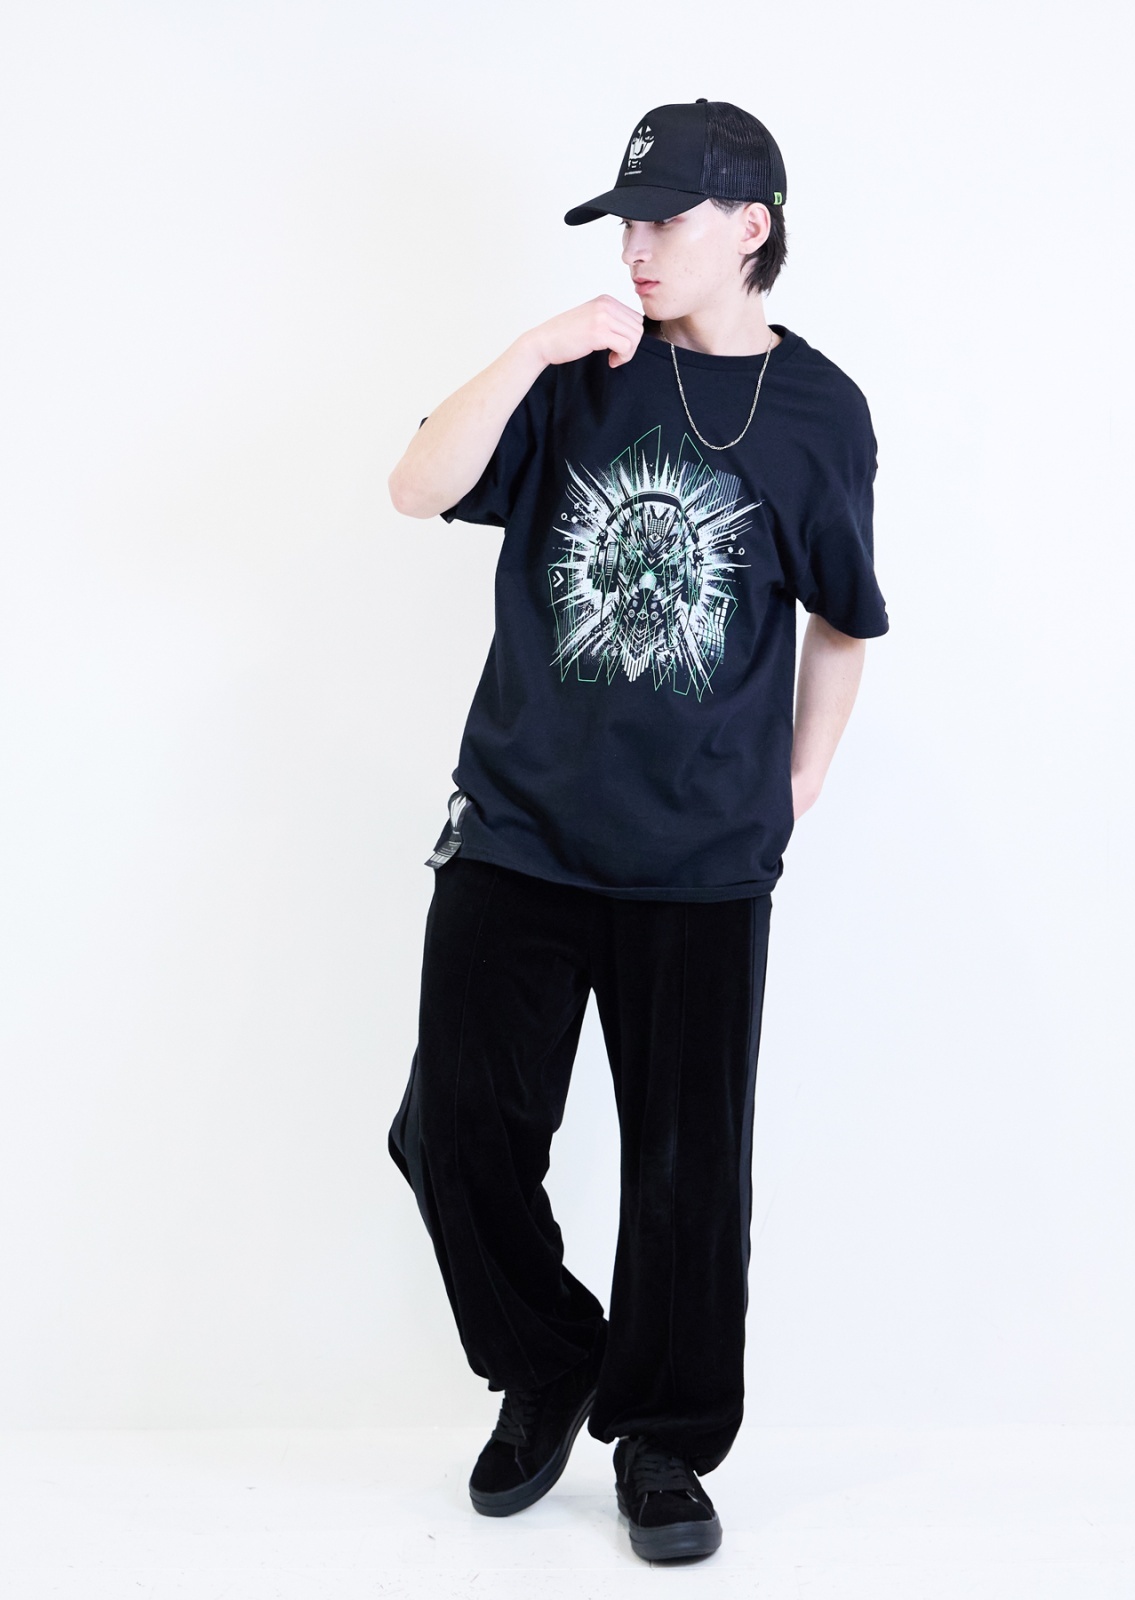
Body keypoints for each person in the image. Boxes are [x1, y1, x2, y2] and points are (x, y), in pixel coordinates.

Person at [385, 98, 889, 1564]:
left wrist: (792, 787)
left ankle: (664, 1441)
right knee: (452, 1135)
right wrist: (531, 349)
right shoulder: (578, 376)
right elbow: (414, 486)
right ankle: (551, 1362)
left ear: (752, 228)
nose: (636, 246)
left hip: (700, 864)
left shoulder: (821, 413)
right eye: (625, 220)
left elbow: (844, 621)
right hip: (519, 833)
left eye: (665, 218)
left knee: (687, 1175)